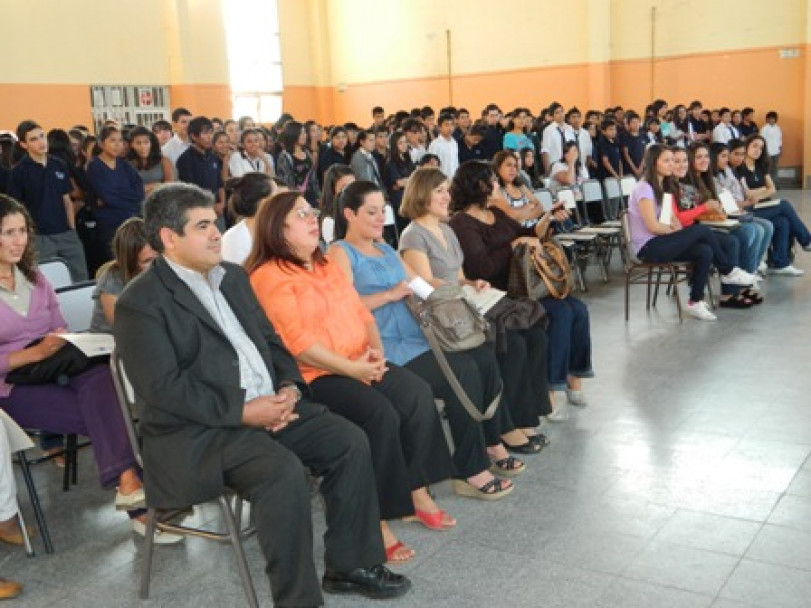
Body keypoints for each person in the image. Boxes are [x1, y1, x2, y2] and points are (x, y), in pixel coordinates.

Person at [112, 183, 410, 605]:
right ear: (168, 239)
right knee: (282, 472)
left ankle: (349, 565)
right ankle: (298, 600)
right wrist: (243, 411)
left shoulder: (232, 277)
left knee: (349, 441)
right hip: (201, 433)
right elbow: (163, 391)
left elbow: (272, 343)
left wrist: (289, 388)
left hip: (270, 408)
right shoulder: (140, 302)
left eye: (214, 223)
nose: (217, 233)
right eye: (202, 227)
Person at [247, 191, 460, 563]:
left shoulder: (323, 263)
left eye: (312, 212)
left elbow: (360, 313)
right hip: (317, 375)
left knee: (417, 395)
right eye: (301, 215)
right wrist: (355, 369)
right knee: (379, 415)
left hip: (360, 360)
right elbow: (298, 344)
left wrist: (375, 352)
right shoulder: (269, 276)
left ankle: (417, 489)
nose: (313, 218)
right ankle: (376, 519)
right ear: (277, 229)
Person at [328, 181, 520, 498]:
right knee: (462, 370)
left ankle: (491, 441)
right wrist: (389, 294)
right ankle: (470, 469)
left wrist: (463, 290)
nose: (380, 219)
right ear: (349, 214)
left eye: (382, 211)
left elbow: (421, 285)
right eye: (371, 212)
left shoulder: (386, 248)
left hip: (419, 336)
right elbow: (343, 308)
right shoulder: (340, 252)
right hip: (386, 345)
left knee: (483, 357)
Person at [0, 195, 164, 541]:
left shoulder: (35, 278)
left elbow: (58, 323)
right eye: (8, 233)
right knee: (105, 409)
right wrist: (33, 354)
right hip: (13, 385)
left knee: (102, 378)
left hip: (59, 365)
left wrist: (60, 340)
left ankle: (134, 491)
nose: (19, 241)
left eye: (22, 231)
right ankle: (137, 497)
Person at [398, 168, 552, 452]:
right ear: (422, 195)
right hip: (446, 316)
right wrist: (459, 287)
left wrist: (473, 282)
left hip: (464, 301)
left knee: (534, 334)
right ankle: (507, 426)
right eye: (439, 191)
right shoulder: (413, 237)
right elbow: (424, 290)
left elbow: (458, 276)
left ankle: (524, 415)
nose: (447, 196)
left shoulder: (445, 230)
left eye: (447, 189)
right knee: (512, 343)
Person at [448, 161, 592, 418]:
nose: (497, 185)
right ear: (478, 185)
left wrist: (549, 217)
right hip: (501, 291)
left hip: (525, 281)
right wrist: (514, 244)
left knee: (578, 309)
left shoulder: (496, 213)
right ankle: (550, 388)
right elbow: (482, 267)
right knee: (560, 313)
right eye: (492, 181)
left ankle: (573, 375)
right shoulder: (462, 223)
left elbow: (528, 234)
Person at [627, 145, 756, 321]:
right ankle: (728, 271)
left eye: (672, 160)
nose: (671, 164)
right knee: (701, 231)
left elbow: (670, 218)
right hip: (648, 247)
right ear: (653, 163)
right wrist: (675, 229)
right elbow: (654, 227)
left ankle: (695, 301)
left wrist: (675, 227)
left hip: (662, 240)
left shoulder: (663, 185)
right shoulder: (644, 188)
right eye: (667, 160)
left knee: (705, 250)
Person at [675, 145, 761, 308]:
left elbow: (718, 203)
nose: (704, 160)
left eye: (706, 156)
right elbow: (689, 212)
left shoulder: (707, 178)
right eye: (698, 157)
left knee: (758, 228)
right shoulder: (684, 182)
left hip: (708, 224)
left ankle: (740, 285)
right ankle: (729, 291)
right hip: (698, 227)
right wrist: (709, 209)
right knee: (737, 238)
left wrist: (719, 209)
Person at [7, 121, 88, 281]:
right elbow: (16, 209)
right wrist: (28, 236)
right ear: (23, 144)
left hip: (67, 235)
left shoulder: (58, 164)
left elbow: (66, 199)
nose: (41, 142)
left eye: (42, 136)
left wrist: (72, 229)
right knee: (49, 283)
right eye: (34, 139)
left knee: (81, 278)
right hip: (40, 238)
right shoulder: (18, 172)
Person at [736, 134, 811, 275]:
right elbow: (748, 194)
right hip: (748, 208)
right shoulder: (740, 168)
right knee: (784, 205)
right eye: (754, 146)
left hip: (763, 206)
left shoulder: (760, 166)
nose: (758, 150)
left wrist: (761, 192)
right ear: (746, 147)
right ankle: (806, 240)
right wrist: (764, 189)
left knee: (782, 221)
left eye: (761, 147)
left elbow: (773, 189)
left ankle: (779, 263)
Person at [710, 141, 773, 277]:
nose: (727, 160)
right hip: (725, 215)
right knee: (753, 229)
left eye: (727, 156)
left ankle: (753, 267)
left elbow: (740, 192)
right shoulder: (712, 177)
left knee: (768, 225)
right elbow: (727, 201)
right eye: (724, 156)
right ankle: (747, 270)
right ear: (713, 157)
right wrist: (746, 202)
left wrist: (746, 201)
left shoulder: (727, 171)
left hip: (737, 210)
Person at [86, 125, 145, 260]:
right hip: (109, 226)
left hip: (131, 220)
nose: (118, 145)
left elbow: (139, 192)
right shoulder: (95, 167)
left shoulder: (125, 165)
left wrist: (120, 194)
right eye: (113, 141)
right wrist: (126, 195)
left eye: (120, 141)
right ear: (101, 143)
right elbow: (108, 197)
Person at [89, 218, 156, 333]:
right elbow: (125, 332)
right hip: (109, 343)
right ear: (131, 263)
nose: (156, 264)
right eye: (147, 261)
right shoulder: (112, 282)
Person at [176, 117, 225, 228]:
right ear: (193, 136)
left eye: (211, 133)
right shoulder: (185, 159)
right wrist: (208, 206)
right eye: (205, 133)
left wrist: (222, 203)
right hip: (199, 210)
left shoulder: (213, 156)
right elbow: (190, 190)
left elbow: (220, 183)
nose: (209, 137)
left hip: (218, 210)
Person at [221, 173, 277, 264]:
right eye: (276, 197)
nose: (281, 201)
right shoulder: (235, 239)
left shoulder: (272, 230)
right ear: (263, 203)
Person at [489, 150, 545, 227]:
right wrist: (528, 207)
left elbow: (539, 206)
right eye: (509, 165)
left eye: (515, 166)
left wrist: (522, 215)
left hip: (535, 229)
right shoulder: (496, 190)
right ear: (498, 167)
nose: (513, 169)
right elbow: (510, 216)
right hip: (516, 235)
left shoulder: (520, 186)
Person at [275, 121, 319, 206]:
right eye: (301, 133)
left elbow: (312, 176)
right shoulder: (284, 156)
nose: (305, 135)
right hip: (293, 199)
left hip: (310, 198)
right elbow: (286, 181)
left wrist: (317, 195)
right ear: (293, 135)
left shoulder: (307, 152)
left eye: (305, 133)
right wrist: (295, 197)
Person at [126, 126, 173, 194]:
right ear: (132, 145)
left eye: (146, 142)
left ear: (151, 143)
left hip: (161, 200)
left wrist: (142, 188)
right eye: (138, 143)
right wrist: (155, 185)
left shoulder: (164, 161)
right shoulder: (127, 164)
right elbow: (128, 190)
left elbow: (170, 187)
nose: (143, 146)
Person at [427, 114, 459, 179]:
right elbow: (431, 165)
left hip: (453, 180)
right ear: (439, 127)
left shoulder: (454, 142)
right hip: (439, 181)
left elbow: (456, 162)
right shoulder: (435, 144)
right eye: (446, 125)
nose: (450, 128)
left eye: (452, 125)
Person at [760, 111, 782, 184]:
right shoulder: (764, 129)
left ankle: (775, 183)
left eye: (773, 118)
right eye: (770, 118)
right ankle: (768, 184)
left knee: (775, 168)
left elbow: (780, 139)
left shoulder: (777, 128)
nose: (772, 120)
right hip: (768, 152)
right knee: (768, 168)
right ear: (767, 119)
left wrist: (780, 148)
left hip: (776, 151)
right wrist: (764, 152)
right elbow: (762, 140)